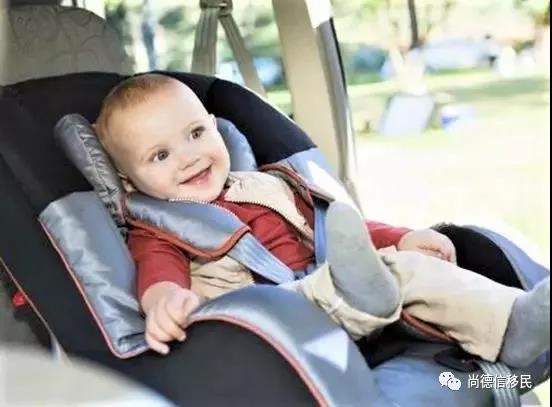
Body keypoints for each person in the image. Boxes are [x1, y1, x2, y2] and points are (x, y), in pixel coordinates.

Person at [95, 74, 549, 369]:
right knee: (353, 280)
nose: (189, 157)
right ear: (129, 181)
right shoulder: (157, 230)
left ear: (216, 127)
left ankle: (515, 324)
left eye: (196, 133)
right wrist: (165, 301)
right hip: (272, 322)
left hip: (336, 280)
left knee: (408, 268)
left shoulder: (269, 184)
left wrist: (401, 238)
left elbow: (337, 229)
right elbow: (158, 276)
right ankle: (362, 292)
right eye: (160, 155)